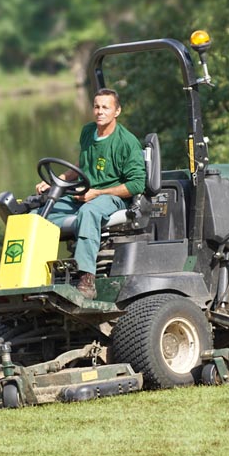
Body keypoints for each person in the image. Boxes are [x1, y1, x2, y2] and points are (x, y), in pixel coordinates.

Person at [35, 88, 146, 299]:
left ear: (117, 111)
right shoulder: (88, 131)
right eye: (96, 106)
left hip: (112, 197)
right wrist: (58, 181)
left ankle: (87, 279)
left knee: (89, 212)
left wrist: (96, 193)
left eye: (106, 107)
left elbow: (137, 185)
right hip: (84, 193)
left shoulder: (126, 142)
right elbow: (82, 164)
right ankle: (32, 272)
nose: (100, 111)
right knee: (39, 214)